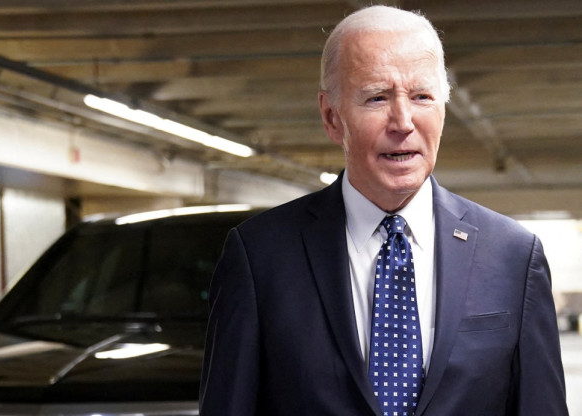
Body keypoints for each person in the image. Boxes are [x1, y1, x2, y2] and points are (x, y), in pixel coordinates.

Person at [199, 5, 568, 416]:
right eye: (377, 97)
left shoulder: (513, 255)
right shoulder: (259, 256)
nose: (403, 122)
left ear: (443, 110)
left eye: (422, 96)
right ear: (331, 116)